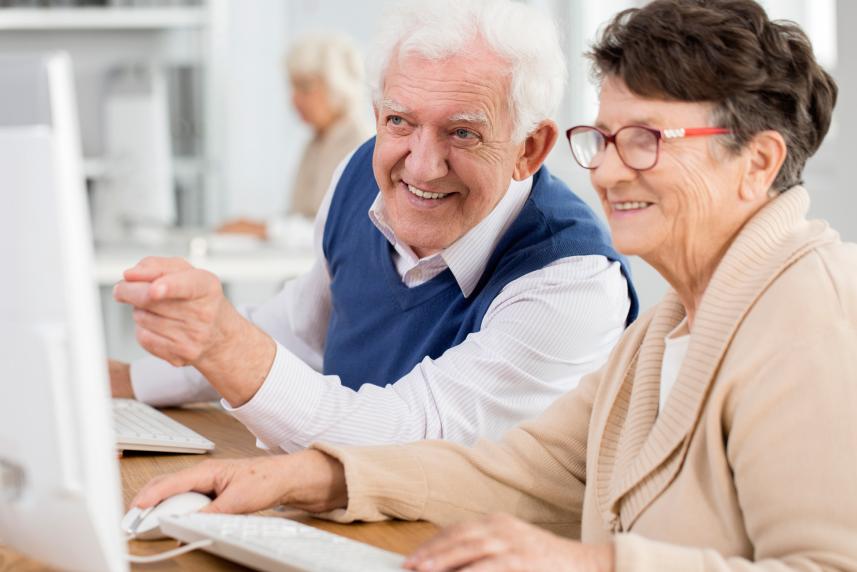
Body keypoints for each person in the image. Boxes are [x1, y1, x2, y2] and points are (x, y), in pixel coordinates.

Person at [130, 0, 857, 570]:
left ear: (758, 163)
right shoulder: (672, 323)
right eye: (604, 139)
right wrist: (307, 479)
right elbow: (526, 471)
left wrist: (590, 565)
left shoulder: (809, 322)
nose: (607, 172)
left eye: (645, 141)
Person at [110, 0, 639, 452]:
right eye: (400, 121)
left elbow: (410, 440)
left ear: (530, 149)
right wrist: (133, 380)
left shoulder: (572, 282)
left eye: (462, 133)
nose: (423, 167)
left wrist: (228, 346)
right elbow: (301, 329)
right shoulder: (360, 174)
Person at [219, 33, 373, 238]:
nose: (294, 100)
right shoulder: (316, 142)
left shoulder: (361, 145)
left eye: (305, 88)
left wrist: (265, 229)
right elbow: (301, 217)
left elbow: (338, 231)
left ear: (338, 85)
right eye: (293, 88)